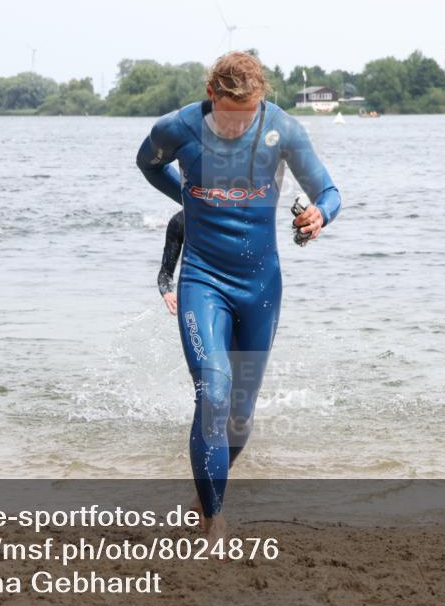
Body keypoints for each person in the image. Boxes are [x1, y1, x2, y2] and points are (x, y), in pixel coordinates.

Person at [135, 51, 341, 545]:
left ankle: (204, 497)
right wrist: (188, 198)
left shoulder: (283, 130)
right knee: (213, 393)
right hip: (203, 279)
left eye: (246, 116)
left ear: (260, 100)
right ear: (212, 95)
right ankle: (215, 520)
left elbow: (329, 191)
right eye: (229, 115)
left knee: (240, 416)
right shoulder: (178, 127)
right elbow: (147, 164)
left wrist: (320, 216)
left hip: (260, 286)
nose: (236, 126)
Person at [157, 211, 185, 315]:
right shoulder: (180, 221)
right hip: (199, 290)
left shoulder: (231, 218)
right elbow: (165, 273)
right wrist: (167, 292)